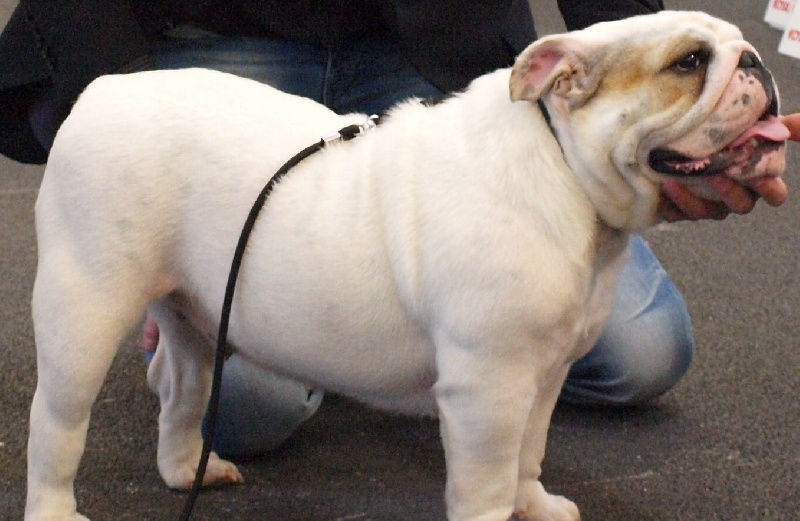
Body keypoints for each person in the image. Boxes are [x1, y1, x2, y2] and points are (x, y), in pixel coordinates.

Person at [0, 0, 793, 458]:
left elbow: (634, 52)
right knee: (248, 409)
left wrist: (677, 113)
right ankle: (371, 333)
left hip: (426, 52)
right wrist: (140, 210)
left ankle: (400, 334)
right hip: (221, 39)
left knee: (642, 350)